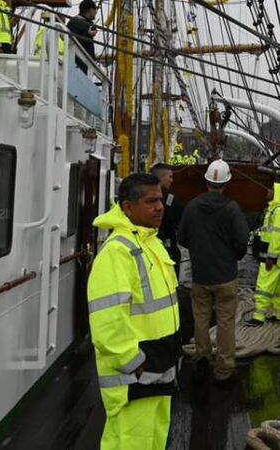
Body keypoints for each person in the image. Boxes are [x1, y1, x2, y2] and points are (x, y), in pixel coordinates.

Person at [87, 173, 179, 450]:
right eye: (151, 201)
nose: (160, 207)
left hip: (159, 367)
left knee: (153, 439)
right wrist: (133, 363)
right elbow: (107, 320)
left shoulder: (150, 243)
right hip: (136, 376)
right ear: (128, 207)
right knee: (131, 441)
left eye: (160, 200)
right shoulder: (118, 251)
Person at [177, 159, 249, 382]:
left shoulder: (192, 206)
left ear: (206, 182)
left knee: (201, 318)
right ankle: (225, 368)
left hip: (201, 275)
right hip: (226, 276)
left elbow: (182, 237)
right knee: (226, 322)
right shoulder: (231, 209)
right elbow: (242, 240)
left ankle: (202, 356)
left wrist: (200, 251)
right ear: (225, 184)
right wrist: (231, 257)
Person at [250, 183, 280, 325]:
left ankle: (258, 316)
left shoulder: (278, 212)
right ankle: (279, 313)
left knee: (264, 285)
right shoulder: (276, 210)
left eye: (272, 190)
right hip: (278, 258)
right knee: (279, 287)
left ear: (278, 194)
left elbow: (277, 236)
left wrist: (271, 257)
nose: (268, 191)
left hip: (272, 258)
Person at [150, 162, 183, 272]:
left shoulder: (171, 199)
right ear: (161, 177)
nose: (172, 180)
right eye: (170, 177)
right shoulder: (171, 199)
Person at [68, 0, 99, 72]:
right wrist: (88, 34)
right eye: (95, 9)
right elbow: (76, 42)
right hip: (81, 65)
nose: (96, 12)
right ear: (91, 10)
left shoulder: (71, 22)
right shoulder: (84, 23)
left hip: (73, 61)